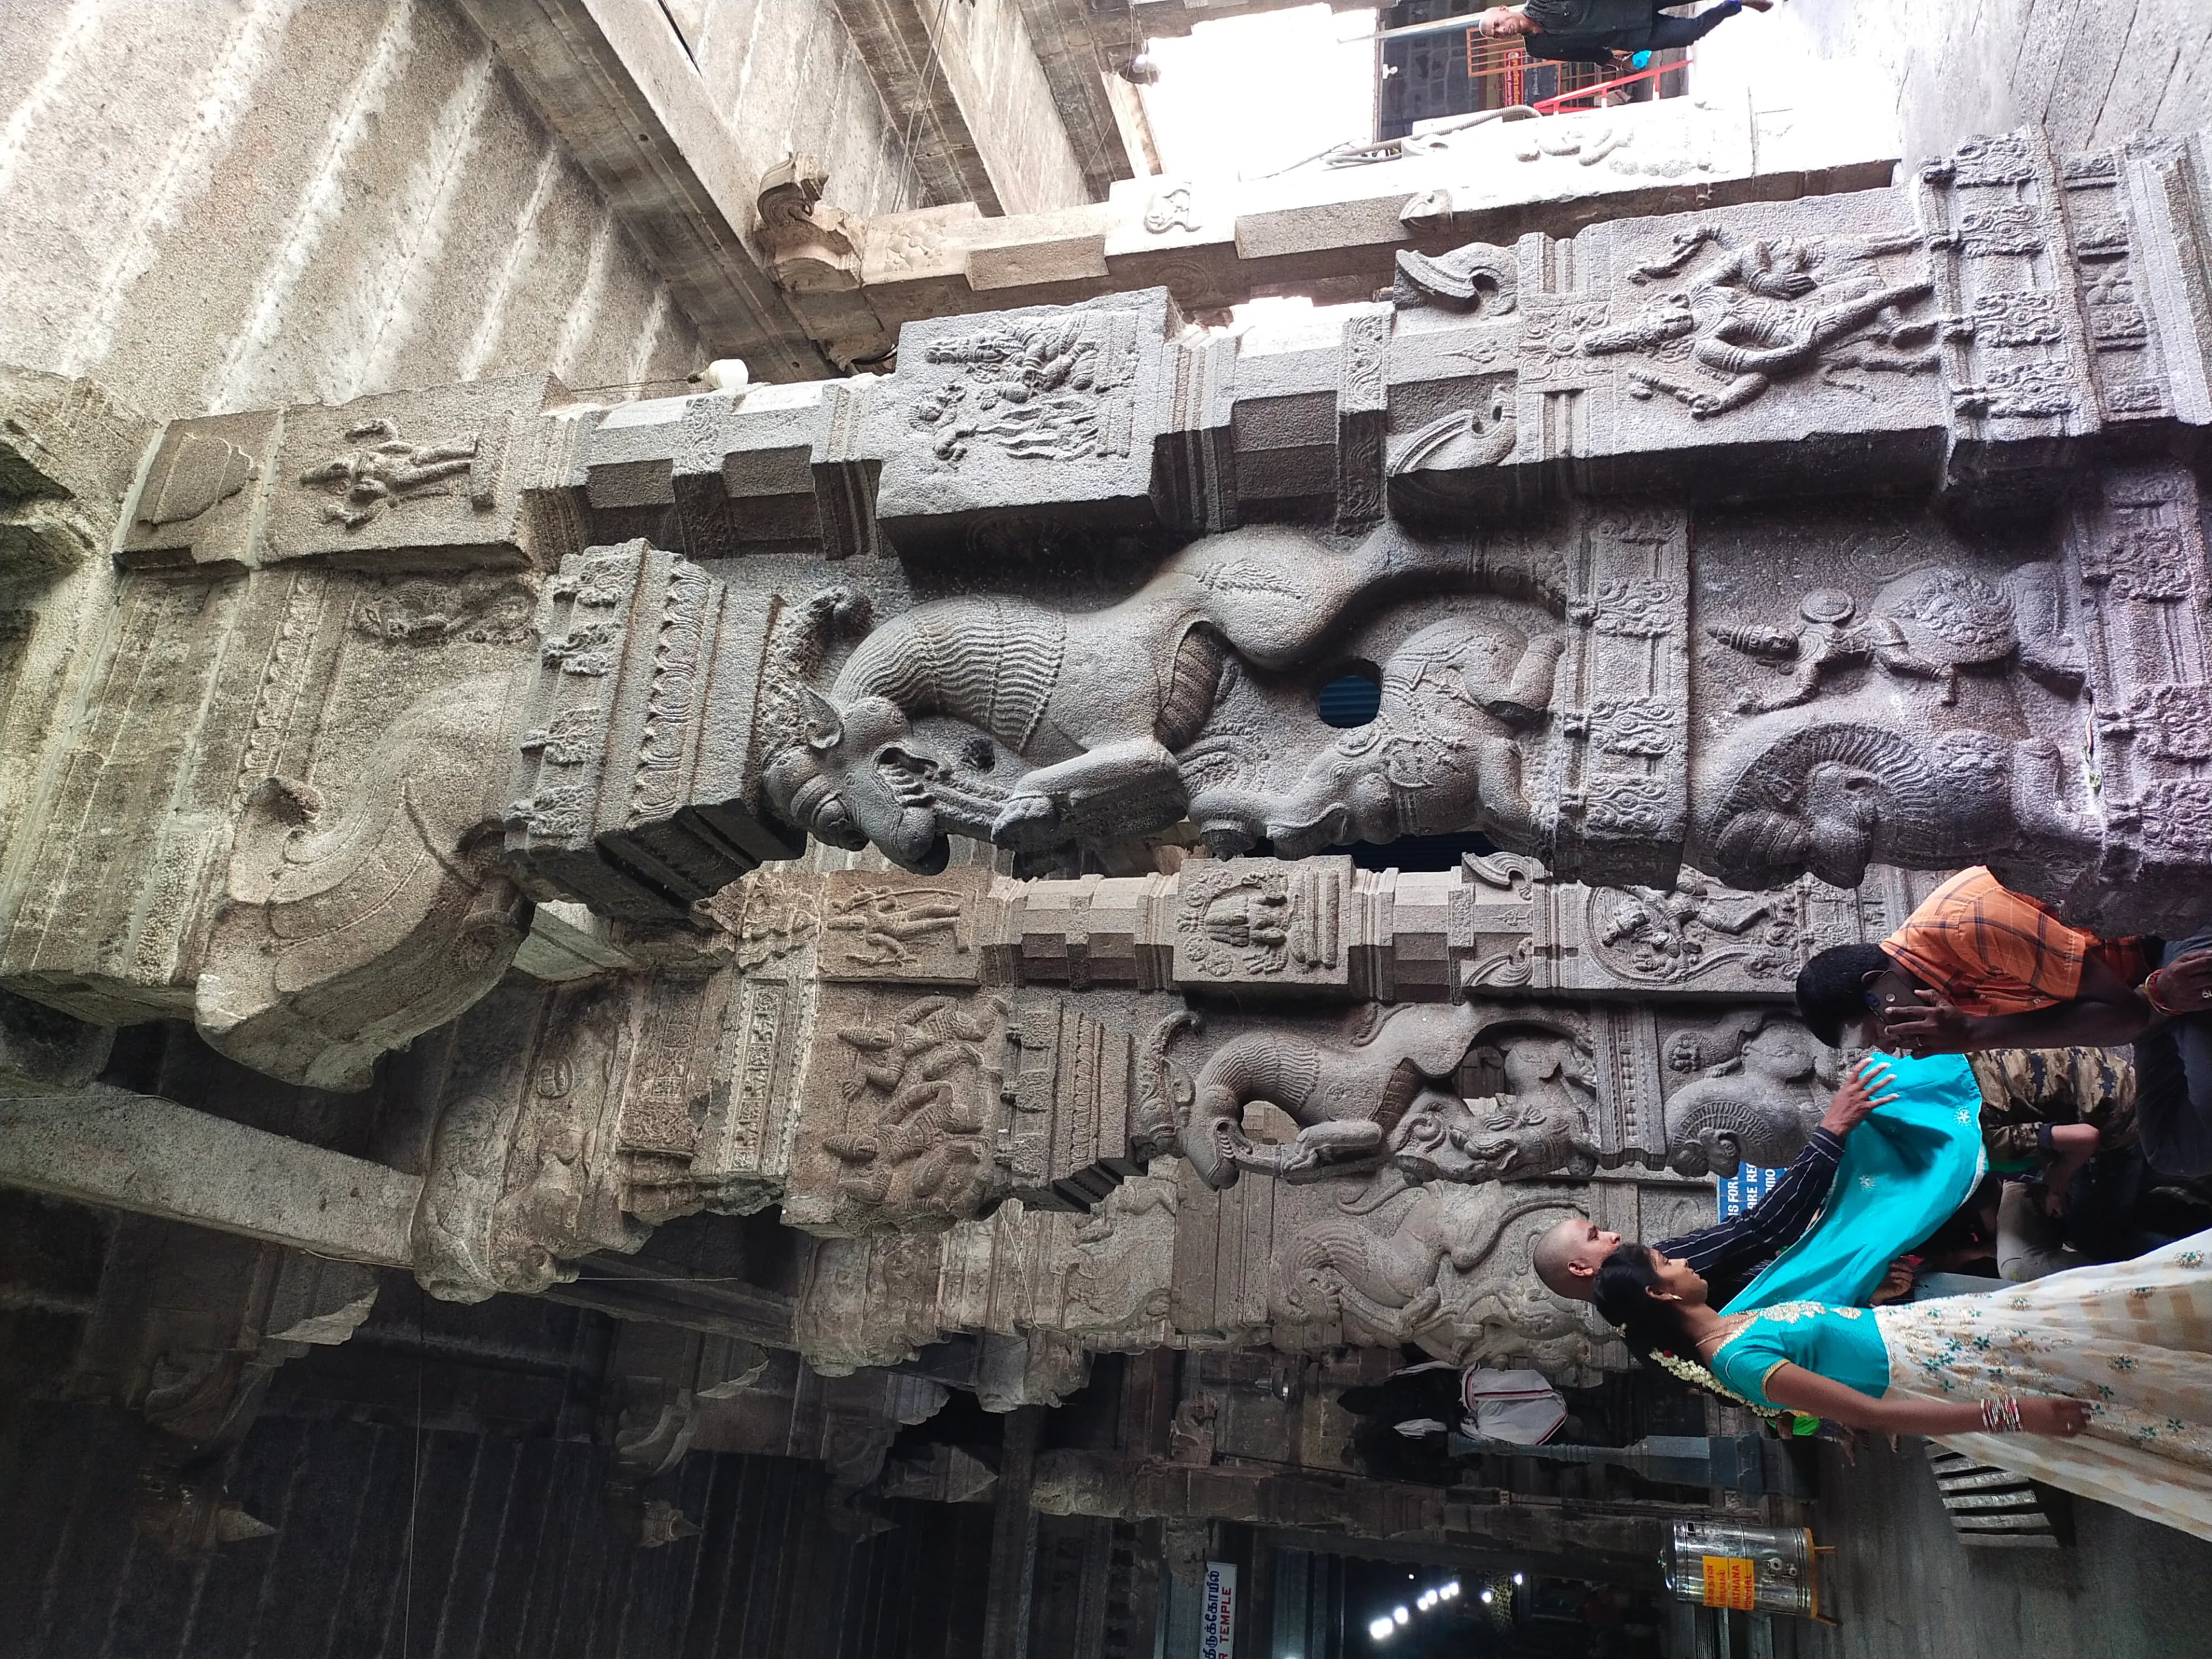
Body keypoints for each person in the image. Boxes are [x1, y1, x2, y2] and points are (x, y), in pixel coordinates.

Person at [1591, 1233, 2212, 1542]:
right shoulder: (1736, 1361)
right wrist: (2017, 1413)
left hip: (1944, 1334)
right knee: (2116, 1381)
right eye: (1667, 1263)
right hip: (1946, 1373)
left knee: (2107, 1317)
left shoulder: (1732, 1328)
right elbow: (1876, 1413)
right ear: (1660, 1292)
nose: (1684, 1262)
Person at [1794, 865, 2212, 1175]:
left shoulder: (1966, 927)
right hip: (2145, 989)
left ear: (1879, 986)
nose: (1888, 1047)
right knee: (2173, 1152)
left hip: (2172, 924)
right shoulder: (1943, 992)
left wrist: (1972, 1035)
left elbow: (2127, 1017)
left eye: (1873, 1031)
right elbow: (2112, 1018)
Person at [1534, 1055, 1893, 1306]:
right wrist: (1831, 1131)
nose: (1614, 1235)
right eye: (1595, 1236)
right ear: (1580, 1268)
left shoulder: (1639, 1328)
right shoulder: (1661, 1275)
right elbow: (1761, 1229)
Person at [1471, 0, 1771, 66]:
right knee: (1689, 33)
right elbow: (1585, 55)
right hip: (1632, 37)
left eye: (1497, 24)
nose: (1501, 31)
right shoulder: (1537, 48)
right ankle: (1736, 3)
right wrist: (1618, 63)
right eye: (1496, 35)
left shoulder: (1543, 0)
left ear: (1503, 8)